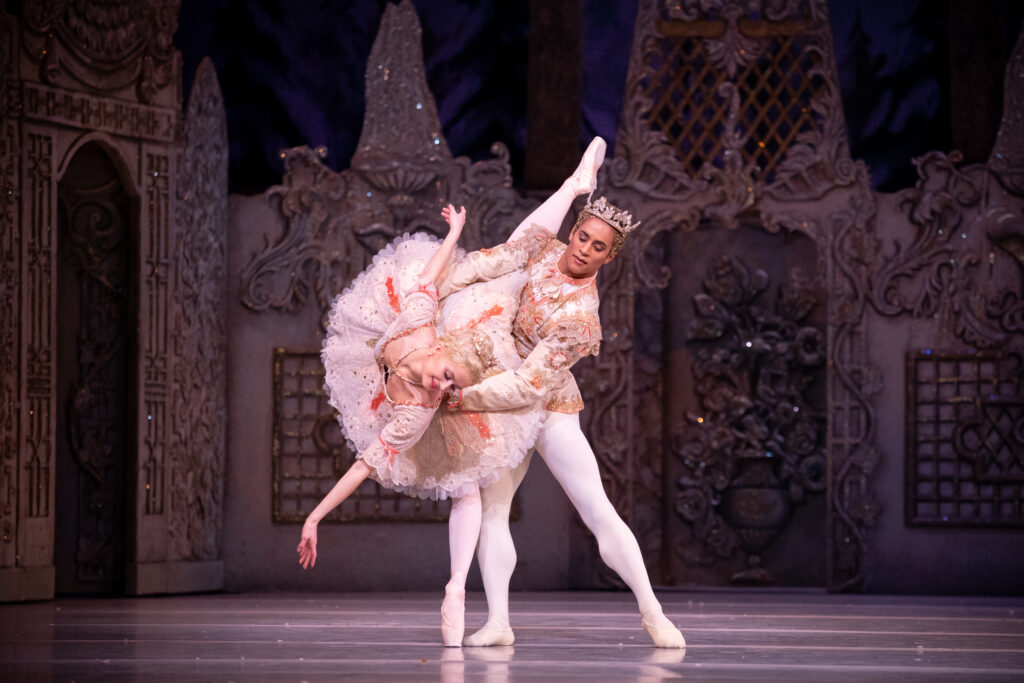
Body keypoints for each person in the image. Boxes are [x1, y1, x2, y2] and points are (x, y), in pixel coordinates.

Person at [296, 139, 605, 646]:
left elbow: (363, 467)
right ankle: (573, 187)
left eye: (447, 385)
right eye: (443, 378)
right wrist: (454, 235)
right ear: (436, 352)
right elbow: (430, 280)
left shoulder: (425, 393)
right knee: (465, 484)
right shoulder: (417, 353)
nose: (440, 388)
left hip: (487, 350)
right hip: (458, 336)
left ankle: (456, 588)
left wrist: (456, 233)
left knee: (516, 254)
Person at [446, 137, 687, 649]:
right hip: (497, 386)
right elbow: (497, 258)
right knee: (494, 508)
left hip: (545, 403)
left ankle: (653, 612)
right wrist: (439, 283)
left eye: (598, 247)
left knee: (596, 509)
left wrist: (463, 399)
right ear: (575, 231)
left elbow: (530, 384)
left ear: (608, 258)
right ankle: (498, 621)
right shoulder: (544, 250)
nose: (584, 249)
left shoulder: (582, 318)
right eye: (582, 236)